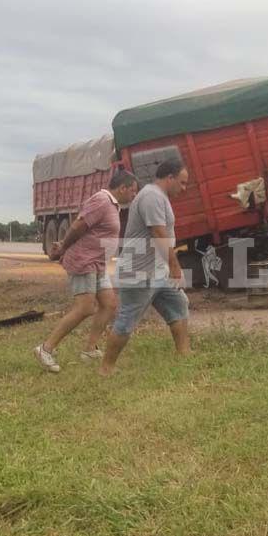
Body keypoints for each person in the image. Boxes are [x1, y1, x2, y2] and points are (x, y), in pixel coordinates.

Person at [34, 170, 138, 373]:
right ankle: (45, 349)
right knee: (85, 308)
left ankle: (90, 349)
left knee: (109, 304)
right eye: (133, 191)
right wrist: (63, 247)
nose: (134, 195)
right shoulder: (102, 200)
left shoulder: (112, 205)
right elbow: (78, 225)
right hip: (84, 261)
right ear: (122, 188)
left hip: (98, 263)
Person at [101, 159, 191, 376]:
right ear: (169, 178)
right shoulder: (152, 197)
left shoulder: (159, 197)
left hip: (157, 271)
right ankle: (106, 368)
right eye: (182, 182)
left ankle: (184, 354)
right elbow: (158, 233)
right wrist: (175, 267)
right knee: (126, 321)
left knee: (179, 304)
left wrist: (168, 268)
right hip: (139, 273)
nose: (184, 188)